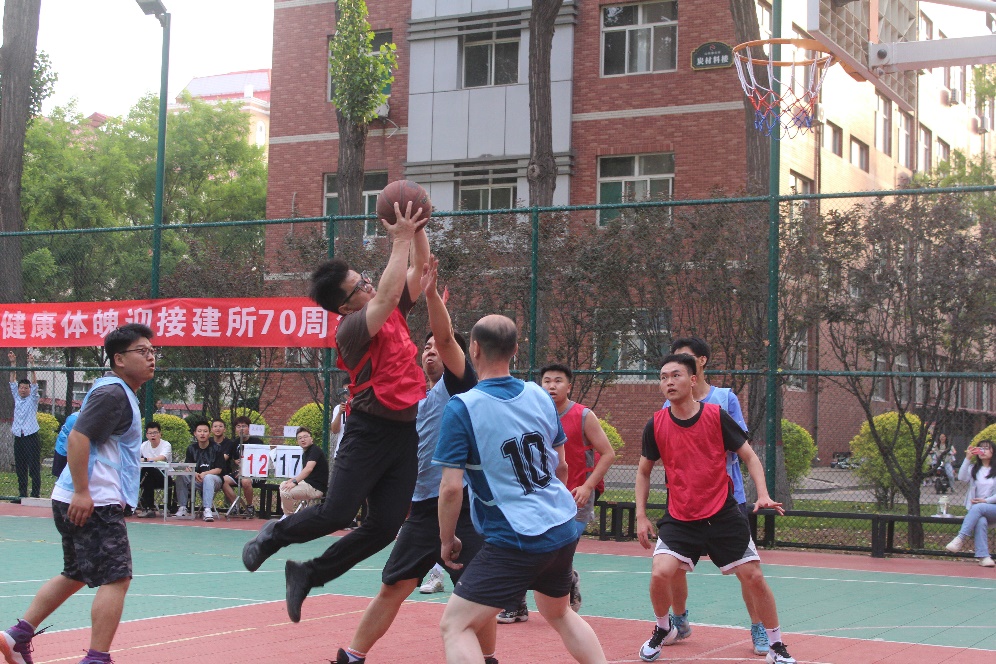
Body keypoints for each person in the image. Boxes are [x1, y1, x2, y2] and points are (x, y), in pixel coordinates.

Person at [242, 200, 431, 625]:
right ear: (345, 306)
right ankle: (274, 534)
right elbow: (388, 292)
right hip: (367, 431)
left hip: (404, 435)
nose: (368, 284)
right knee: (337, 513)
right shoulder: (352, 328)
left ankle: (309, 573)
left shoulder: (392, 310)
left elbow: (420, 270)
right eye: (359, 285)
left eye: (365, 278)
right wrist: (400, 238)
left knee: (385, 526)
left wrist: (417, 227)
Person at [334, 255, 493, 664]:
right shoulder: (409, 400)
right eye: (424, 346)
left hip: (464, 508)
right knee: (394, 586)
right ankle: (354, 655)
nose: (430, 350)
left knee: (474, 593)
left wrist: (430, 297)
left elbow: (446, 337)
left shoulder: (459, 387)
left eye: (436, 346)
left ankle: (488, 658)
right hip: (422, 510)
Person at [433, 315, 608, 664]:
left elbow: (451, 488)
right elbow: (561, 466)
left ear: (474, 349)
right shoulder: (538, 395)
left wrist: (446, 538)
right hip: (561, 523)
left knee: (455, 625)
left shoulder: (463, 407)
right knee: (559, 612)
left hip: (517, 534)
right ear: (515, 349)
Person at [1, 324, 155, 664]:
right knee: (117, 577)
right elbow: (78, 438)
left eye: (152, 351)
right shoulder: (113, 394)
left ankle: (17, 636)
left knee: (77, 572)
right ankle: (97, 658)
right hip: (93, 500)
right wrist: (84, 492)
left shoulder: (118, 392)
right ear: (119, 359)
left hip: (78, 496)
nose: (151, 357)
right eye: (142, 351)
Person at [635, 354, 795, 664]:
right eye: (663, 377)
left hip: (722, 513)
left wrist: (762, 493)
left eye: (676, 375)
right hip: (680, 517)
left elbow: (749, 456)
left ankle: (776, 646)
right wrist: (641, 515)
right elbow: (643, 471)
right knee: (660, 573)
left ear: (693, 379)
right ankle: (663, 627)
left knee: (753, 576)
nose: (669, 382)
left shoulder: (715, 415)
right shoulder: (655, 424)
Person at [497, 362, 616, 624]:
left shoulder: (583, 415)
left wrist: (588, 486)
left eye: (558, 381)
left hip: (575, 496)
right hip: (540, 497)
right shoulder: (531, 415)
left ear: (569, 386)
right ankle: (516, 604)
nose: (552, 386)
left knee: (557, 552)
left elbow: (608, 453)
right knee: (524, 548)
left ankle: (568, 579)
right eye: (547, 381)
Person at [945, 439, 996, 566]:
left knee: (979, 508)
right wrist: (967, 459)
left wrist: (985, 501)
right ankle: (984, 557)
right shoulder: (974, 468)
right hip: (978, 511)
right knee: (980, 521)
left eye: (987, 448)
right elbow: (961, 478)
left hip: (992, 508)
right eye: (981, 448)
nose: (983, 450)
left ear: (993, 451)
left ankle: (960, 538)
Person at [173, 421, 222, 522]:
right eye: (199, 431)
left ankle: (207, 510)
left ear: (209, 433)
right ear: (195, 433)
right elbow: (188, 467)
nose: (202, 433)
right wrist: (194, 473)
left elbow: (219, 469)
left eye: (205, 431)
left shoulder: (217, 448)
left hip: (214, 480)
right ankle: (183, 507)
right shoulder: (191, 448)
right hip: (196, 479)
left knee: (208, 478)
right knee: (181, 475)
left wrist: (205, 474)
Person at [8, 350, 41, 499]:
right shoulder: (17, 396)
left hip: (31, 437)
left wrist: (32, 365)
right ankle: (22, 495)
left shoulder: (32, 398)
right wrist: (13, 363)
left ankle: (35, 495)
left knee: (33, 467)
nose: (22, 389)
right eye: (21, 387)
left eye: (25, 388)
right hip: (19, 437)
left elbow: (34, 383)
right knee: (20, 468)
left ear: (29, 390)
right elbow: (12, 381)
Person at [279, 427, 328, 517]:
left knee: (286, 492)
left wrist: (295, 482)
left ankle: (288, 517)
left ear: (311, 439)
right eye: (300, 438)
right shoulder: (305, 453)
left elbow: (308, 469)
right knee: (283, 485)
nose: (303, 440)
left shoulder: (315, 450)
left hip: (316, 488)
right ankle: (288, 516)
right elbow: (306, 473)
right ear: (297, 441)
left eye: (305, 437)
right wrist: (293, 479)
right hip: (308, 484)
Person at [232, 416, 266, 518]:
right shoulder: (235, 443)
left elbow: (261, 460)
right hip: (240, 472)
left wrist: (245, 469)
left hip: (255, 473)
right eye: (238, 426)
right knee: (224, 480)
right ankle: (236, 506)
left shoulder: (257, 442)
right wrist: (235, 461)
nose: (241, 429)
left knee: (245, 481)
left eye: (244, 426)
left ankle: (250, 506)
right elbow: (234, 459)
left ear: (249, 428)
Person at [137, 421, 172, 518]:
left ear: (160, 433)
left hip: (165, 476)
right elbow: (135, 458)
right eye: (150, 433)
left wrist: (146, 459)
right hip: (148, 478)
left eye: (155, 433)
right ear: (146, 435)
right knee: (148, 474)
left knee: (149, 469)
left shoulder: (166, 445)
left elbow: (162, 457)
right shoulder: (144, 445)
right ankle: (148, 508)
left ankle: (147, 507)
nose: (153, 435)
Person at [53, 412, 80, 479]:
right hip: (63, 449)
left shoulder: (74, 415)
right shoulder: (77, 419)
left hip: (63, 448)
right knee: (62, 476)